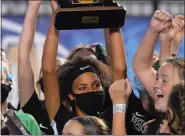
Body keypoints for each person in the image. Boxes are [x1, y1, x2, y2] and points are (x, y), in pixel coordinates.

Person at [42, 0, 127, 134]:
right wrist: (56, 14)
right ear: (71, 95)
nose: (91, 91)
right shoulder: (60, 116)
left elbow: (120, 69)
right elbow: (48, 70)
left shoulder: (114, 114)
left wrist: (113, 16)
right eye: (82, 88)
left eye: (96, 85)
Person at [133, 10, 184, 134]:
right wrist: (154, 31)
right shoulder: (153, 127)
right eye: (156, 78)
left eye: (164, 81)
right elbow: (142, 67)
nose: (155, 85)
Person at [17, 1, 55, 134]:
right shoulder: (35, 110)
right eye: (44, 73)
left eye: (57, 72)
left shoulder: (80, 112)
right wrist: (34, 5)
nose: (50, 72)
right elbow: (23, 57)